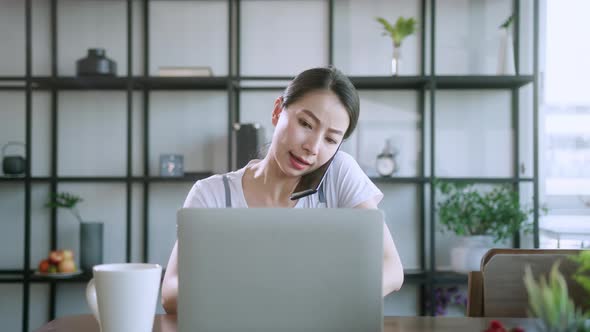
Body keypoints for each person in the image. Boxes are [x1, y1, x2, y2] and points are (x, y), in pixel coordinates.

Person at [161, 66, 404, 314]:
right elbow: (170, 292)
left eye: (330, 139)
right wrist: (259, 295)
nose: (312, 147)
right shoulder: (211, 193)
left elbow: (392, 269)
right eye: (306, 123)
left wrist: (334, 296)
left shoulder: (338, 173)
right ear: (278, 111)